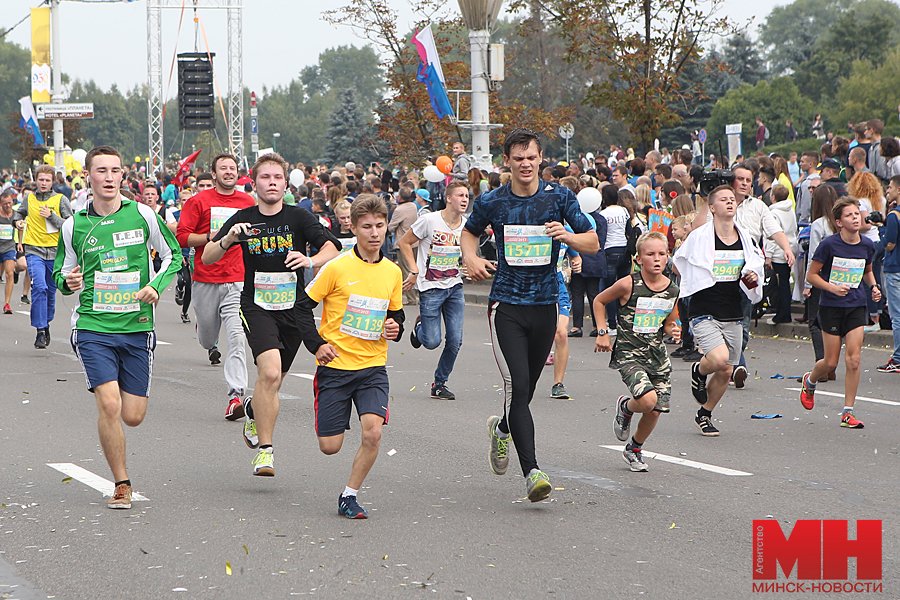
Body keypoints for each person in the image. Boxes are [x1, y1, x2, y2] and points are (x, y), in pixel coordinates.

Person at [461, 129, 598, 502]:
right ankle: (532, 472)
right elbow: (469, 234)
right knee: (517, 387)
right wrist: (471, 258)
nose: (525, 164)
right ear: (507, 160)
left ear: (541, 159)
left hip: (545, 305)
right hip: (506, 306)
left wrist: (566, 236)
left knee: (527, 390)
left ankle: (501, 429)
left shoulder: (559, 198)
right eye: (517, 158)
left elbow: (593, 241)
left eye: (531, 157)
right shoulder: (493, 201)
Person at [52, 145, 182, 508]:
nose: (109, 178)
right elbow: (60, 273)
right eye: (102, 171)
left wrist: (155, 286)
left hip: (137, 326)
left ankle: (124, 431)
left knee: (133, 415)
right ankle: (121, 483)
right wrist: (69, 283)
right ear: (88, 177)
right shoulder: (73, 225)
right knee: (109, 404)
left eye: (115, 171)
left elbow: (174, 257)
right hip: (93, 326)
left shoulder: (143, 215)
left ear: (123, 175)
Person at [204, 152, 340, 477]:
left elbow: (332, 247)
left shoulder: (299, 218)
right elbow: (207, 255)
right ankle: (265, 451)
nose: (272, 183)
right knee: (269, 373)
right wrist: (228, 239)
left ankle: (252, 410)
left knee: (274, 381)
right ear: (254, 183)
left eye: (278, 178)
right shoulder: (244, 218)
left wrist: (310, 261)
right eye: (265, 177)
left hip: (293, 310)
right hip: (257, 306)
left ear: (285, 182)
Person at [303, 194, 404, 519]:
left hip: (373, 367)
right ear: (355, 229)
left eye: (379, 225)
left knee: (373, 432)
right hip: (335, 367)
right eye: (367, 227)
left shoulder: (392, 272)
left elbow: (396, 315)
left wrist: (395, 327)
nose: (374, 233)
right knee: (329, 446)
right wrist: (317, 344)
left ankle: (349, 495)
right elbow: (301, 310)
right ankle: (330, 416)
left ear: (386, 227)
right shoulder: (337, 268)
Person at [674, 185, 764, 436]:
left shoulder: (745, 237)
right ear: (712, 207)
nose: (729, 202)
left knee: (726, 369)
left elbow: (755, 265)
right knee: (719, 358)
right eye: (723, 200)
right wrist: (697, 280)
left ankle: (705, 413)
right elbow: (679, 262)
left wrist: (752, 278)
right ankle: (699, 370)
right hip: (704, 310)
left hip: (733, 311)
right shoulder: (701, 236)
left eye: (732, 199)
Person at [176, 154, 256, 420]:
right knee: (208, 339)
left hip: (237, 279)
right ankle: (204, 327)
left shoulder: (247, 202)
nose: (229, 172)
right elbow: (182, 237)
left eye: (232, 168)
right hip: (206, 278)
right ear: (214, 174)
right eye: (223, 168)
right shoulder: (199, 201)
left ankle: (236, 395)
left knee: (236, 337)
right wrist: (210, 237)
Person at [594, 232, 681, 471]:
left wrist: (674, 330)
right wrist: (602, 332)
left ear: (667, 257)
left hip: (657, 357)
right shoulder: (628, 284)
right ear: (638, 259)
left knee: (655, 410)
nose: (656, 259)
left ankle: (634, 449)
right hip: (629, 353)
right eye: (650, 254)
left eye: (661, 254)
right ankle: (626, 407)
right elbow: (599, 301)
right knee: (647, 399)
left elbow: (670, 321)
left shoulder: (672, 290)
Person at [799, 198, 880, 428]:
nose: (855, 218)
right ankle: (810, 380)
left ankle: (847, 412)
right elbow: (811, 275)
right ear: (838, 222)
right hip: (831, 307)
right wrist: (832, 287)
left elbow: (867, 271)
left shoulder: (867, 245)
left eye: (857, 213)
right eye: (849, 215)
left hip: (856, 305)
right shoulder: (829, 245)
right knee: (831, 363)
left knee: (854, 359)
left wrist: (873, 287)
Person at [399, 181, 468, 400]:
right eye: (460, 195)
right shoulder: (429, 220)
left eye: (467, 196)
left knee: (455, 340)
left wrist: (469, 263)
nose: (465, 199)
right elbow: (404, 243)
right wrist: (414, 268)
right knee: (431, 342)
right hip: (430, 288)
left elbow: (466, 252)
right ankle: (420, 328)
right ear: (449, 198)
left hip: (455, 286)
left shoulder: (466, 225)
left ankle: (439, 383)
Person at [12, 164, 73, 348]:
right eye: (41, 180)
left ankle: (46, 323)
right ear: (36, 180)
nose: (44, 183)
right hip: (34, 249)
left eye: (47, 180)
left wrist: (52, 216)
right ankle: (40, 330)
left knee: (50, 291)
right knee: (39, 287)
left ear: (52, 181)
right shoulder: (29, 199)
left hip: (55, 252)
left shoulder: (61, 199)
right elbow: (19, 213)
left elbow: (70, 225)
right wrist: (18, 222)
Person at [765, 185, 798, 324]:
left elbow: (773, 235)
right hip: (790, 249)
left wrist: (768, 255)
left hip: (779, 253)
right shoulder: (790, 210)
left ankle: (782, 314)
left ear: (773, 197)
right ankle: (785, 313)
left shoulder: (773, 213)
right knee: (784, 284)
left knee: (780, 286)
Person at [877, 176, 900, 373]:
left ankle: (898, 357)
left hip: (895, 268)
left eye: (891, 187)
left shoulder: (894, 215)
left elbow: (890, 243)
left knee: (897, 315)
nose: (887, 190)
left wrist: (882, 231)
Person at [1, 189, 26, 314]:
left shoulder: (15, 215)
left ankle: (7, 304)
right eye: (5, 203)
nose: (8, 206)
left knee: (9, 274)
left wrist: (20, 243)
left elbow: (20, 227)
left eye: (10, 203)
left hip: (9, 248)